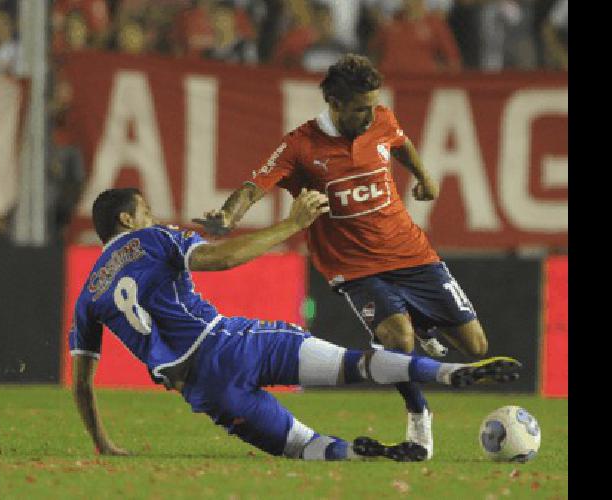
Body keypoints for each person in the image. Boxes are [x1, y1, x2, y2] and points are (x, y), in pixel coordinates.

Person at [70, 187, 521, 461]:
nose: (152, 216)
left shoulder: (88, 294)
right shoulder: (150, 238)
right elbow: (221, 257)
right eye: (145, 210)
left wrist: (103, 443)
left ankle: (369, 456)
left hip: (203, 390)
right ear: (127, 219)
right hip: (233, 343)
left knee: (302, 448)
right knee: (357, 364)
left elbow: (83, 384)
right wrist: (293, 223)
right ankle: (449, 373)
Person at [195, 54, 498, 460]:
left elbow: (401, 142)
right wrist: (228, 216)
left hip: (412, 252)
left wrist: (424, 176)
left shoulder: (382, 119)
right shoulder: (300, 146)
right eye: (360, 108)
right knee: (397, 337)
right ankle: (419, 416)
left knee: (477, 347)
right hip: (355, 268)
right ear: (335, 105)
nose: (371, 114)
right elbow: (254, 186)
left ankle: (425, 323)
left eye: (374, 104)